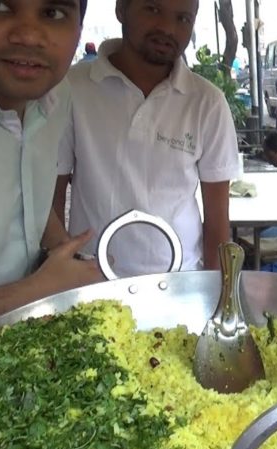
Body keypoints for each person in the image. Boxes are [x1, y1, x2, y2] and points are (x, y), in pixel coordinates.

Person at [0, 0, 101, 338]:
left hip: (23, 361)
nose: (30, 36)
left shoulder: (54, 95)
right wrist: (39, 290)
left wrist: (63, 250)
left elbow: (27, 186)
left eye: (53, 13)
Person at [53, 0, 241, 278]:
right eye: (153, 9)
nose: (167, 28)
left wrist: (216, 295)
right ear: (121, 9)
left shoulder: (207, 102)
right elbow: (52, 200)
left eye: (183, 19)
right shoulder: (71, 89)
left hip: (181, 282)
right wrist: (64, 275)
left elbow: (217, 221)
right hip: (93, 280)